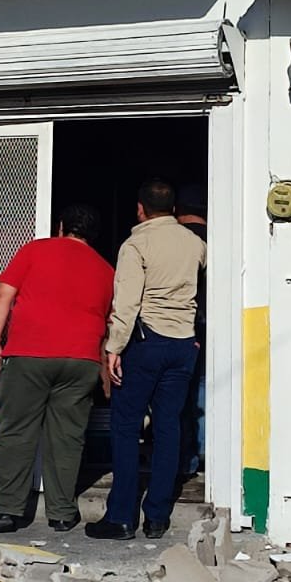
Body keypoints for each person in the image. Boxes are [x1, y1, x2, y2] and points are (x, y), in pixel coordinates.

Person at [0, 203, 115, 534]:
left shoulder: (34, 250)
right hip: (81, 360)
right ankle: (61, 513)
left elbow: (4, 294)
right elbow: (110, 318)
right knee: (67, 437)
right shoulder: (105, 269)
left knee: (17, 432)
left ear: (60, 227)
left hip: (29, 355)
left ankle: (9, 512)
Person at [87, 179, 206, 541]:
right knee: (169, 426)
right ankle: (157, 517)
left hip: (145, 342)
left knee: (126, 427)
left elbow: (127, 303)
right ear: (173, 208)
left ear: (140, 209)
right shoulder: (196, 245)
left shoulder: (136, 245)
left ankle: (121, 517)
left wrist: (113, 348)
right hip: (182, 344)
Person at [175, 183, 208, 481]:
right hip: (216, 321)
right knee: (208, 388)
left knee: (185, 395)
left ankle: (187, 461)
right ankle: (208, 455)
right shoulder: (217, 239)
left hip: (185, 322)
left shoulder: (178, 241)